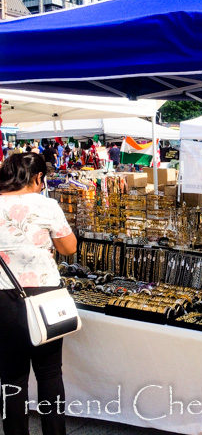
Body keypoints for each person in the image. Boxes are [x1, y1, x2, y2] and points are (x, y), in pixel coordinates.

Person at [0, 153, 77, 435]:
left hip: (3, 297)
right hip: (45, 294)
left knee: (11, 376)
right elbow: (69, 248)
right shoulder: (46, 205)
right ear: (37, 177)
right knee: (49, 372)